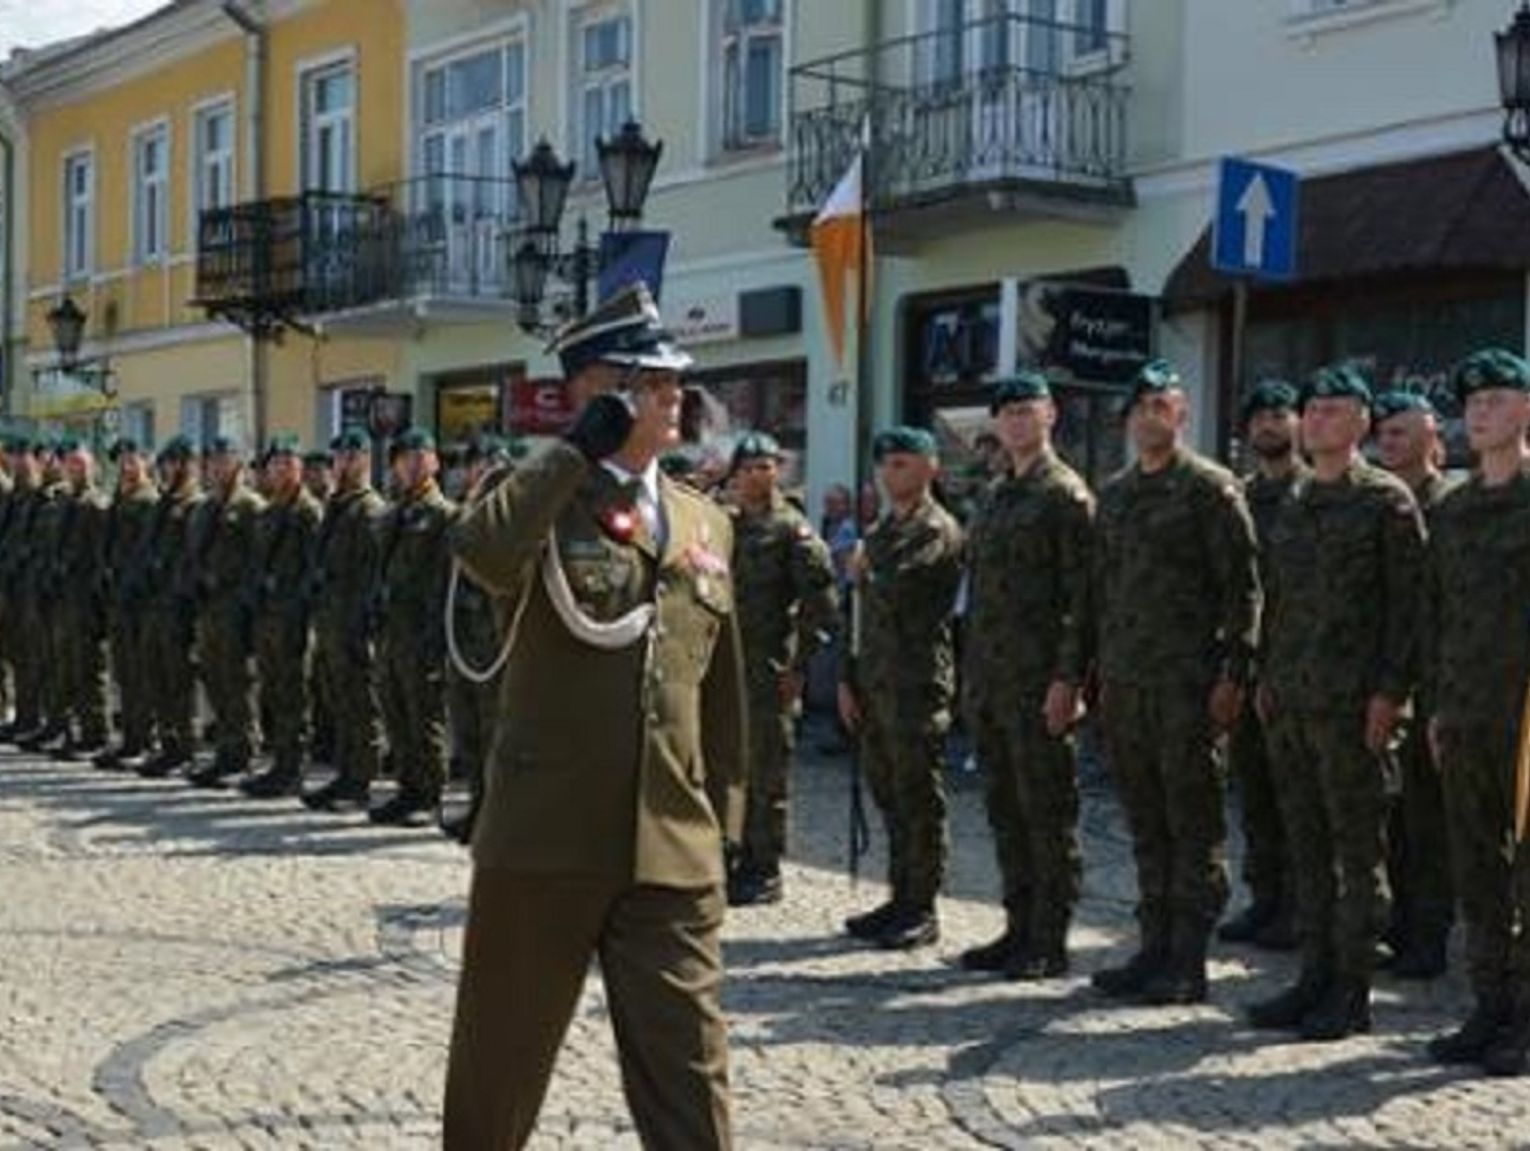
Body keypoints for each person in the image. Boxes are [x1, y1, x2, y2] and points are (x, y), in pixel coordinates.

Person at [443, 284, 746, 1150]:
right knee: (497, 1074)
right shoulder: (538, 495)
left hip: (670, 844)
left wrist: (721, 819)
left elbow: (719, 687)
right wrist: (574, 450)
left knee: (691, 1076)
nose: (672, 397)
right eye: (649, 381)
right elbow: (482, 551)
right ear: (596, 392)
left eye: (674, 380)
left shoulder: (704, 518)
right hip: (547, 837)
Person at [1248, 364, 1426, 1042]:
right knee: (1307, 850)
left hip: (1355, 710)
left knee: (1357, 855)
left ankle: (1350, 989)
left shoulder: (1385, 502)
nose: (1317, 419)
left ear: (1361, 423)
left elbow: (1409, 614)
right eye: (1312, 409)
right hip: (1293, 703)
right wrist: (1267, 672)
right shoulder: (1294, 500)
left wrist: (1390, 696)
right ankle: (1313, 976)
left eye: (1332, 411)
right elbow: (1280, 600)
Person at [1091, 359, 1260, 1006]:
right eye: (1139, 408)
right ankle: (1154, 944)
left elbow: (1243, 589)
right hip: (1130, 685)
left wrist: (1234, 676)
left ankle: (1188, 958)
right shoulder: (1118, 493)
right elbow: (1102, 590)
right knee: (1145, 821)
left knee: (1193, 824)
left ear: (1181, 415)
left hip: (1190, 687)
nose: (1148, 417)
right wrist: (1095, 671)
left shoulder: (1210, 489)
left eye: (1160, 405)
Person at [959, 372, 1094, 980]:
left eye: (1026, 410)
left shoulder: (1065, 494)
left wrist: (1070, 680)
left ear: (1050, 416)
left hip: (1041, 682)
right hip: (993, 681)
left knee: (1046, 813)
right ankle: (1017, 927)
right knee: (1005, 811)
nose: (1015, 422)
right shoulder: (994, 495)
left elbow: (1083, 598)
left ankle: (1049, 938)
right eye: (1006, 412)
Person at [1425, 348, 1530, 1075]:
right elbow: (1439, 616)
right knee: (1477, 871)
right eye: (1473, 401)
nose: (1480, 411)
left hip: (1528, 723)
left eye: (1496, 398)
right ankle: (1489, 1005)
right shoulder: (1454, 509)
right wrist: (1436, 705)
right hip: (1465, 715)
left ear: (1526, 409)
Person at [839, 426, 965, 950]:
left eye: (905, 464)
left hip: (916, 682)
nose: (893, 474)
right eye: (887, 465)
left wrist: (866, 567)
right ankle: (899, 895)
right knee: (888, 792)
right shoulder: (881, 530)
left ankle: (923, 906)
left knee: (918, 797)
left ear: (930, 468)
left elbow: (901, 587)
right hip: (875, 681)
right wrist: (848, 679)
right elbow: (858, 614)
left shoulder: (935, 528)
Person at [726, 430, 838, 906]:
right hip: (726, 667)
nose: (758, 475)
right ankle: (733, 851)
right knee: (728, 765)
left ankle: (764, 866)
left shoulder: (792, 530)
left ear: (780, 470)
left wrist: (799, 665)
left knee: (767, 770)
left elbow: (821, 605)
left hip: (770, 667)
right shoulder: (724, 524)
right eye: (749, 468)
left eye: (766, 466)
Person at [1371, 388, 1456, 980]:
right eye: (1386, 432)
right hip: (1388, 674)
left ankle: (1429, 937)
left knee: (1431, 818)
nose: (1391, 441)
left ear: (1433, 438)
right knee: (1393, 814)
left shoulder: (1449, 502)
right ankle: (1396, 924)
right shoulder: (1376, 501)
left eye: (1402, 431)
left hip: (1441, 680)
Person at [1219, 380, 1306, 951]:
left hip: (1302, 668)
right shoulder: (1239, 498)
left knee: (1298, 796)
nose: (1268, 426)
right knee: (1254, 791)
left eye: (1279, 414)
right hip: (1246, 664)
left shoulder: (1315, 493)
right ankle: (1266, 898)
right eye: (1258, 418)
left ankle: (1302, 908)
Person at [370, 427, 457, 826]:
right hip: (391, 629)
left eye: (421, 455)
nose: (412, 463)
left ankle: (429, 794)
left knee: (424, 715)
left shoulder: (443, 515)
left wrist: (437, 635)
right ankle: (406, 788)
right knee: (395, 710)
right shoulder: (394, 513)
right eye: (405, 457)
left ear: (435, 463)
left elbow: (445, 581)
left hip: (421, 629)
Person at [301, 427, 389, 813]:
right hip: (331, 621)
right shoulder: (338, 506)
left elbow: (373, 573)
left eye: (352, 457)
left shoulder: (369, 509)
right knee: (339, 701)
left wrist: (364, 622)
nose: (343, 464)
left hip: (353, 623)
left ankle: (360, 781)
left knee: (358, 703)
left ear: (367, 460)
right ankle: (345, 774)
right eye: (339, 458)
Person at [441, 432, 521, 844]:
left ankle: (499, 816)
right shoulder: (461, 517)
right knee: (468, 728)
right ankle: (477, 805)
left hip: (498, 642)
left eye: (491, 462)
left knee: (497, 733)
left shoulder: (517, 521)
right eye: (476, 464)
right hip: (464, 639)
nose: (483, 470)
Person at [241, 435, 324, 798]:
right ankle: (279, 762)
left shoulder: (308, 512)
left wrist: (298, 603)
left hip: (292, 616)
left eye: (288, 463)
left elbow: (314, 568)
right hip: (267, 616)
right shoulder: (268, 512)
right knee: (273, 690)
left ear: (299, 468)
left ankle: (293, 769)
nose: (281, 469)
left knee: (293, 693)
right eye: (276, 464)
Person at [184, 436, 266, 788]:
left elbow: (259, 559)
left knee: (237, 683)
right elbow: (193, 554)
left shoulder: (251, 506)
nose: (218, 467)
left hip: (235, 607)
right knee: (215, 680)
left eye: (225, 460)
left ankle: (243, 753)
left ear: (238, 464)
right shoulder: (205, 507)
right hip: (208, 608)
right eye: (213, 461)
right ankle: (224, 751)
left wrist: (246, 602)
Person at [95, 438, 161, 771]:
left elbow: (146, 551)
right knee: (124, 670)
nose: (126, 466)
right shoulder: (119, 499)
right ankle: (131, 738)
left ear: (144, 462)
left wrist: (133, 583)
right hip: (119, 596)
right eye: (121, 461)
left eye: (132, 459)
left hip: (140, 599)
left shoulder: (149, 500)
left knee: (139, 669)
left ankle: (143, 739)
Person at [301, 447, 338, 767]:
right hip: (318, 606)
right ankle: (324, 740)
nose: (314, 475)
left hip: (338, 609)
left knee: (335, 680)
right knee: (320, 679)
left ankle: (336, 744)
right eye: (309, 469)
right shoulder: (314, 508)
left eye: (320, 469)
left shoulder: (328, 508)